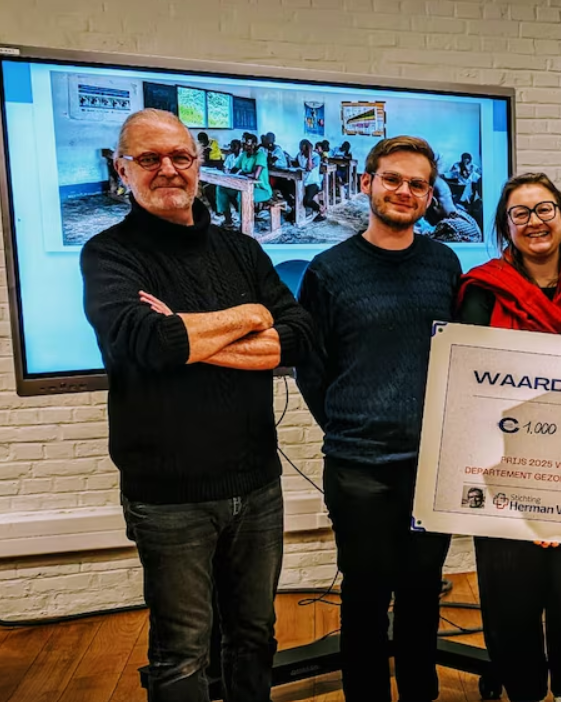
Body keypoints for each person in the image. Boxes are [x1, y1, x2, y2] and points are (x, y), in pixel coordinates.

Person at [80, 108, 314, 701]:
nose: (167, 170)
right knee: (181, 653)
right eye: (149, 158)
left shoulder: (241, 251)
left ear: (198, 164)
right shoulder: (108, 255)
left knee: (255, 636)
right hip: (168, 495)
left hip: (256, 483)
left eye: (180, 156)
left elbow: (299, 335)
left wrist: (190, 336)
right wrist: (248, 317)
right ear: (122, 168)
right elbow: (147, 343)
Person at [294, 136, 463, 702]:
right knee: (365, 597)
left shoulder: (444, 263)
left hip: (431, 466)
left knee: (421, 595)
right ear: (367, 182)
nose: (404, 192)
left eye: (417, 184)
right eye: (393, 179)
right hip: (359, 468)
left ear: (428, 195)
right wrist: (353, 424)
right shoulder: (329, 269)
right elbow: (312, 370)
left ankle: (420, 693)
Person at [457, 172, 561, 702]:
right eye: (521, 213)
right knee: (509, 599)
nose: (535, 222)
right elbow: (466, 386)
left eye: (545, 210)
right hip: (502, 467)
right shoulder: (481, 291)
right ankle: (525, 692)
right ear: (505, 225)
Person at [216, 132, 271, 232]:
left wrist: (241, 173)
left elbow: (255, 175)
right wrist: (227, 170)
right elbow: (234, 169)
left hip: (261, 189)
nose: (243, 145)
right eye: (243, 143)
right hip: (243, 186)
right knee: (221, 188)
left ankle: (244, 225)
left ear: (253, 144)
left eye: (246, 143)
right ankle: (228, 221)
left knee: (242, 195)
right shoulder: (244, 155)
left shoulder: (260, 155)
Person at [291, 139, 325, 222]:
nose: (302, 152)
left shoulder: (316, 156)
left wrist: (309, 154)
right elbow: (295, 163)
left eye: (304, 150)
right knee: (292, 193)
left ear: (309, 149)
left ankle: (321, 209)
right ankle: (296, 212)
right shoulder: (299, 155)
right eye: (301, 149)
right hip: (302, 182)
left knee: (307, 200)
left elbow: (309, 168)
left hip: (313, 183)